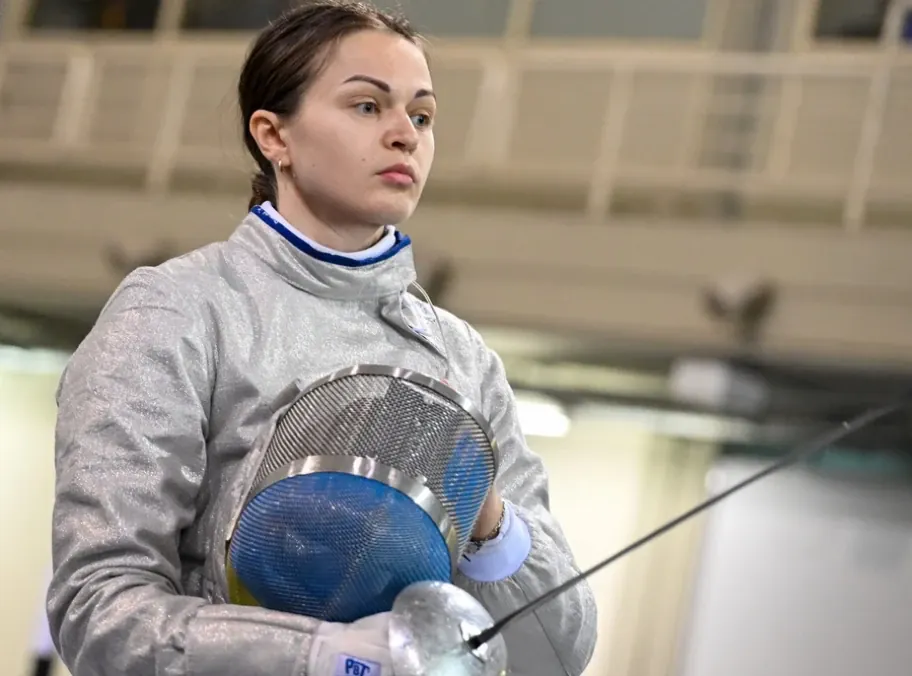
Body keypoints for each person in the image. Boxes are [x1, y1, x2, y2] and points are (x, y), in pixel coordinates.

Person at [46, 2, 598, 675]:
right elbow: (98, 609)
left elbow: (557, 652)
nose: (404, 135)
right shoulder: (179, 311)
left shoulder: (462, 362)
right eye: (368, 107)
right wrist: (317, 658)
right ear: (273, 135)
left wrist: (486, 518)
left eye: (421, 116)